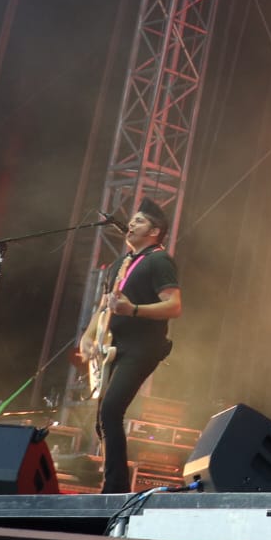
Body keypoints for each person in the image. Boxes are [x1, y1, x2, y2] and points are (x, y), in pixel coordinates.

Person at [76, 201, 182, 494]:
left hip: (142, 347)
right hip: (114, 346)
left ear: (154, 231)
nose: (131, 224)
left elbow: (174, 306)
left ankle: (115, 487)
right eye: (132, 220)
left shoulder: (159, 261)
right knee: (104, 415)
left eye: (139, 221)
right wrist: (88, 336)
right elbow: (104, 306)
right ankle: (112, 483)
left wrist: (133, 309)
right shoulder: (119, 264)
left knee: (111, 410)